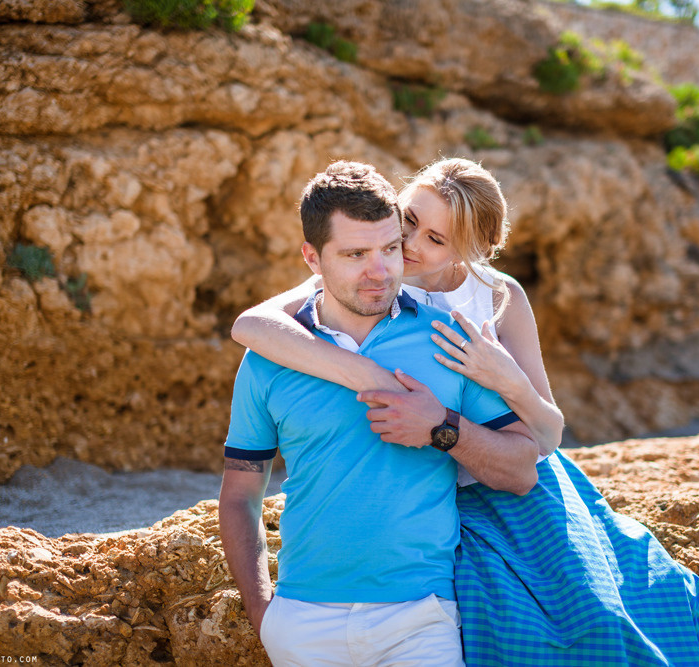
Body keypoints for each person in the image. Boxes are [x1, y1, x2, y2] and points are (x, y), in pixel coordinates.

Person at [231, 157, 699, 665]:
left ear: (470, 252)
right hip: (414, 504)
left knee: (591, 617)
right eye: (409, 221)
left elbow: (546, 435)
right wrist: (371, 377)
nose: (408, 245)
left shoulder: (495, 297)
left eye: (435, 239)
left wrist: (505, 379)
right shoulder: (367, 271)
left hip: (488, 470)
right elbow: (253, 324)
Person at [218, 161, 541, 667]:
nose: (381, 271)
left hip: (422, 621)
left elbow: (523, 469)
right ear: (312, 258)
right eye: (355, 255)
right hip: (302, 622)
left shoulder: (450, 337)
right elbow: (240, 493)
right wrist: (265, 614)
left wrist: (441, 429)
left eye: (390, 248)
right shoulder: (271, 356)